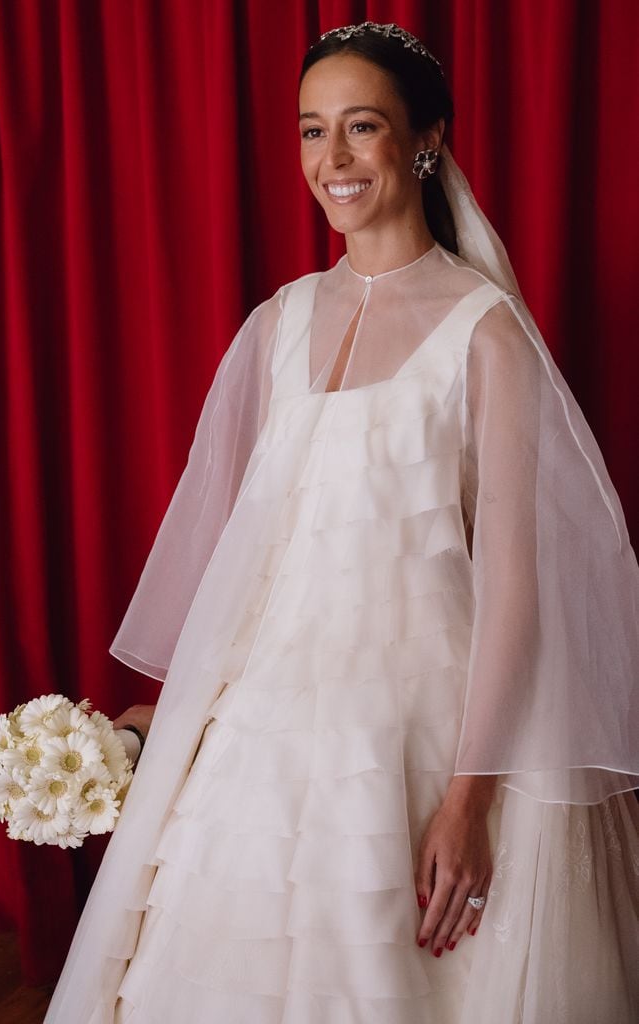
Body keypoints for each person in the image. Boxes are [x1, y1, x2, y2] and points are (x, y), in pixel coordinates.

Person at [45, 22, 639, 1024]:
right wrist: (164, 711)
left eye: (360, 127)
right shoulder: (274, 325)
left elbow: (516, 585)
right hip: (266, 717)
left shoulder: (483, 333)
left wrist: (470, 796)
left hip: (425, 720)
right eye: (311, 132)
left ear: (425, 141)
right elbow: (238, 552)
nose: (332, 160)